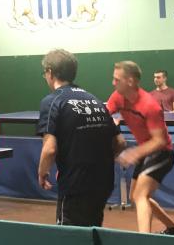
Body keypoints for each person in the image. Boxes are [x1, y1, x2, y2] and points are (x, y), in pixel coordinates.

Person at [36, 49, 122, 227]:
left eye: (45, 73)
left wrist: (42, 173)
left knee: (70, 236)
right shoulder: (95, 100)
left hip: (75, 184)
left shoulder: (52, 101)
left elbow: (50, 149)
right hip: (104, 181)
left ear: (50, 72)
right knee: (93, 229)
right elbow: (120, 142)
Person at [107, 62, 174, 236]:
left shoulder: (150, 106)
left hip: (163, 153)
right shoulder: (117, 97)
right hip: (146, 151)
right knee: (135, 196)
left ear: (130, 81)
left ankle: (144, 240)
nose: (113, 83)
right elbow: (104, 115)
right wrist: (111, 127)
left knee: (140, 195)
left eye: (117, 79)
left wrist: (134, 153)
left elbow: (159, 141)